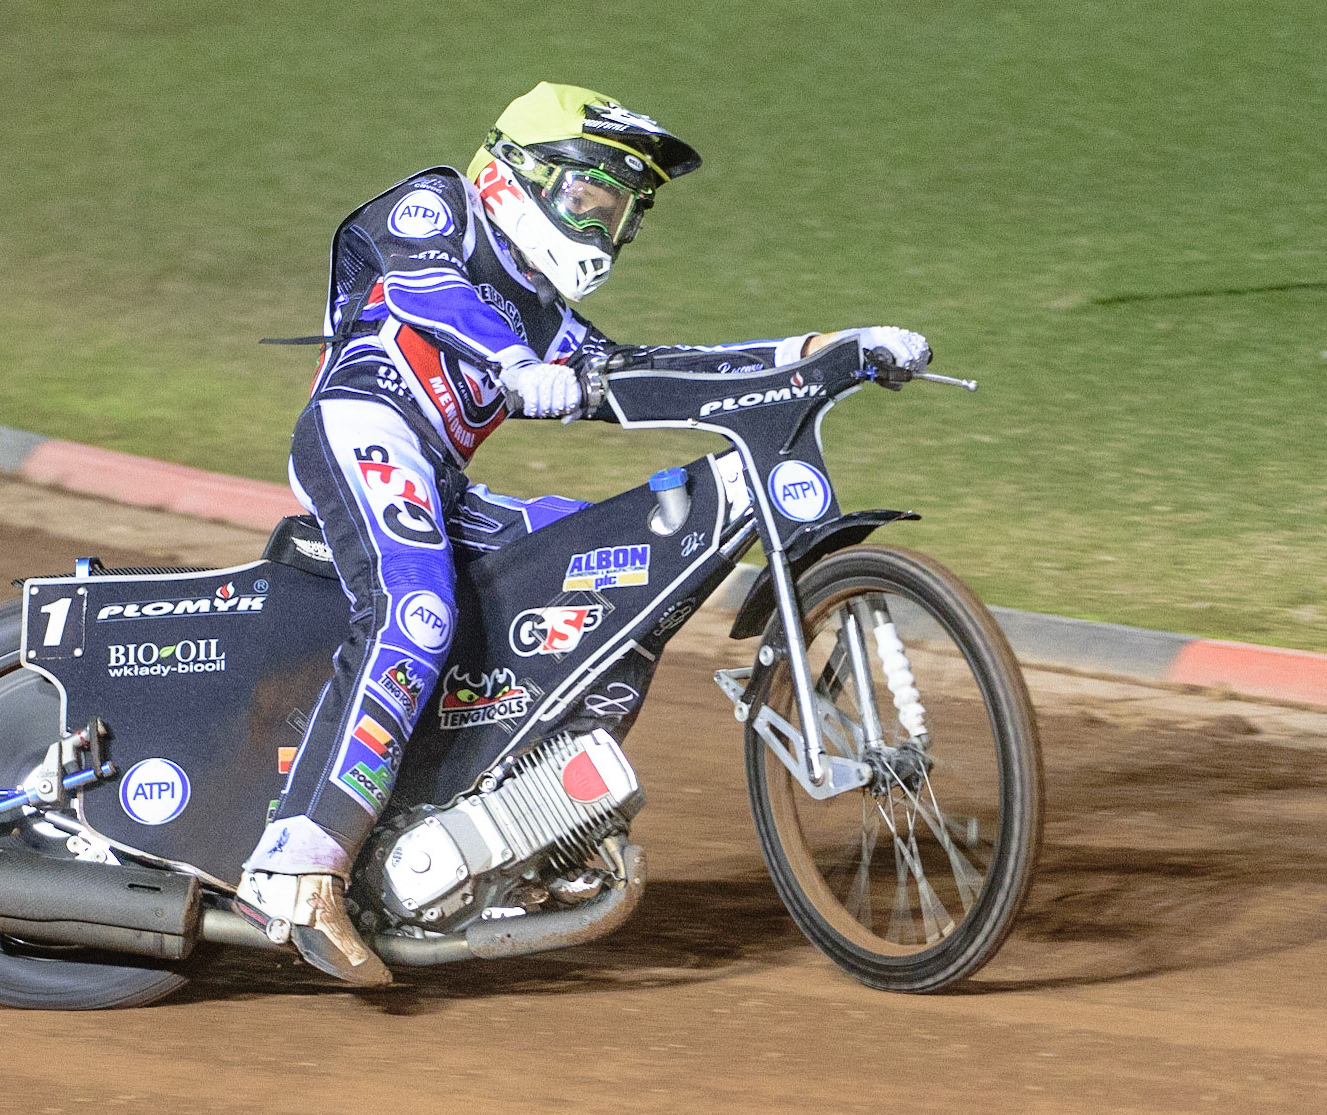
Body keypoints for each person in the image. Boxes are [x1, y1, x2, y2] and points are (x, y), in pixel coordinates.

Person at [234, 81, 931, 985]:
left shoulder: (549, 320)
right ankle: (300, 860)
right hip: (362, 426)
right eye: (587, 203)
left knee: (612, 585)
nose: (602, 233)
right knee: (414, 609)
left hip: (440, 477)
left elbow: (657, 374)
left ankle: (520, 828)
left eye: (619, 216)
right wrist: (516, 359)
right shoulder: (441, 204)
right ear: (515, 173)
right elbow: (425, 291)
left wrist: (822, 350)